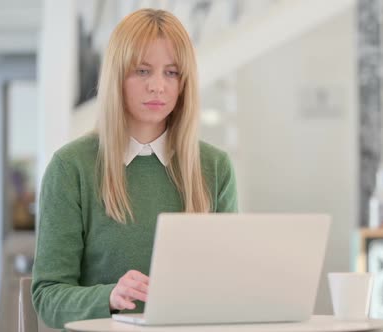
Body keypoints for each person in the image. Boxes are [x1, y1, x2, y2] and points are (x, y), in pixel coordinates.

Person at [32, 8, 238, 329]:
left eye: (172, 73)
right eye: (143, 71)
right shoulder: (71, 167)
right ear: (117, 76)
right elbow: (48, 296)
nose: (158, 86)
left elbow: (231, 285)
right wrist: (109, 297)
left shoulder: (215, 167)